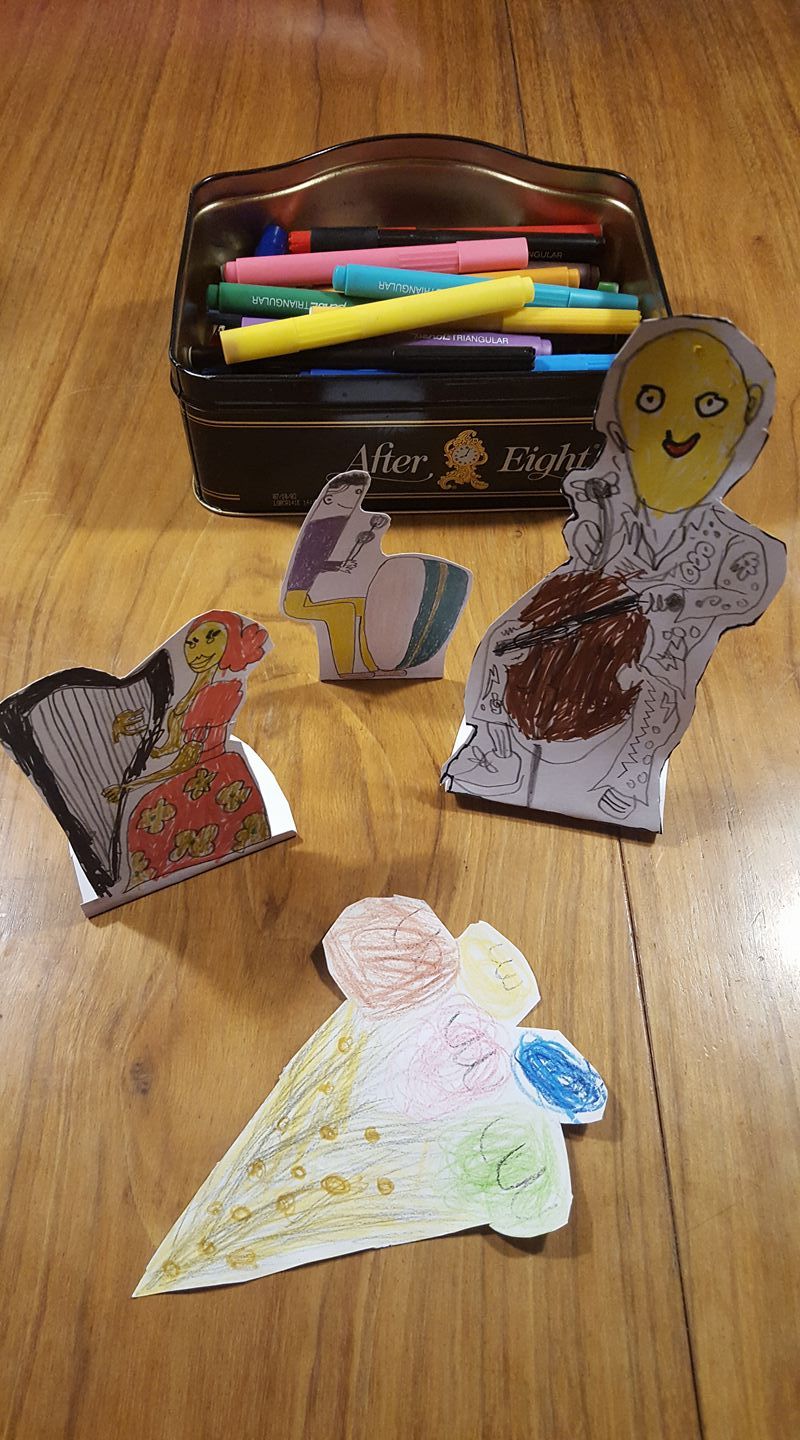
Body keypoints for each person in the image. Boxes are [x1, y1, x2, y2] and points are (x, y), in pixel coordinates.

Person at [443, 316, 786, 830]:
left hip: (658, 637)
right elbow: (585, 552)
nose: (676, 427)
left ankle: (631, 772)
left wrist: (682, 600)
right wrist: (597, 547)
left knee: (660, 682)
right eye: (651, 401)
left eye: (709, 406)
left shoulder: (737, 543)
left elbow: (743, 597)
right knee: (503, 640)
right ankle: (494, 745)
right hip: (590, 611)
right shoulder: (609, 498)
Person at [104, 611, 271, 887]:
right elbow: (166, 751)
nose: (198, 649)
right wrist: (132, 735)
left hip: (212, 777)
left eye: (211, 637)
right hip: (196, 771)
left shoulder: (217, 693)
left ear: (230, 643)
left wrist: (129, 787)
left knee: (147, 816)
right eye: (191, 642)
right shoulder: (189, 696)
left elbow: (184, 763)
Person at [281, 472, 389, 675]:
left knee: (365, 606)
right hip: (296, 599)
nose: (357, 497)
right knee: (344, 611)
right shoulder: (321, 524)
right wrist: (336, 566)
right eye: (353, 492)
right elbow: (308, 562)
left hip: (307, 595)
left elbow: (314, 560)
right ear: (330, 497)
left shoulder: (336, 522)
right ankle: (345, 670)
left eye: (359, 492)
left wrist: (338, 565)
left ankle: (372, 666)